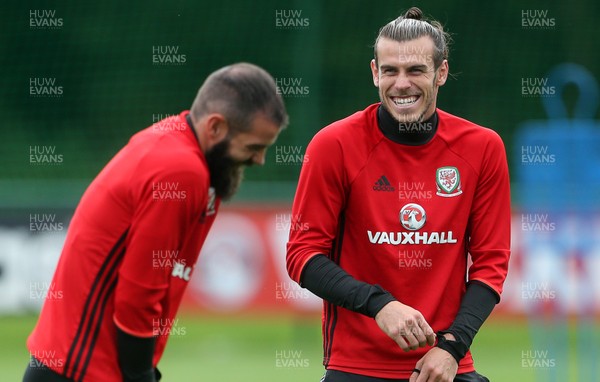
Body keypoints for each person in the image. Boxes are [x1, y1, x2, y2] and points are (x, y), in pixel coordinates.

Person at [24, 62, 288, 382]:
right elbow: (139, 292)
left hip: (77, 366)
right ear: (215, 127)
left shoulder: (184, 151)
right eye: (253, 147)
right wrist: (140, 374)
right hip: (84, 370)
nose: (259, 160)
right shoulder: (181, 171)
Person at [287, 7, 510, 382]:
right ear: (375, 72)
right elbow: (302, 255)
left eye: (416, 71)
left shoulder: (483, 148)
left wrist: (452, 347)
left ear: (441, 73)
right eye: (390, 71)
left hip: (445, 363)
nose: (401, 83)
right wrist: (380, 305)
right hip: (354, 366)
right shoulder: (333, 145)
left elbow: (491, 264)